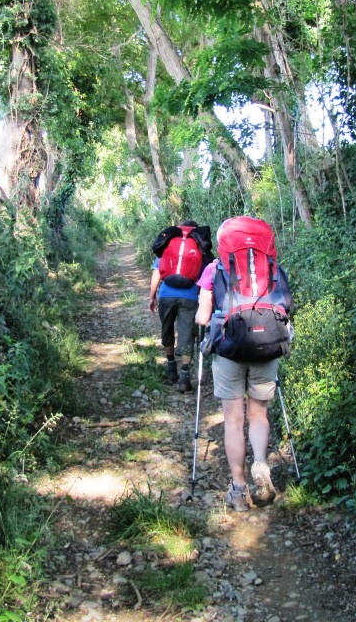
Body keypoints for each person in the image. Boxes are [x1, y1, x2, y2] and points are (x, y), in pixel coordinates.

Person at [195, 256, 278, 512]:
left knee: (233, 420)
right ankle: (260, 464)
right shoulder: (270, 265)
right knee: (259, 414)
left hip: (229, 351)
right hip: (266, 346)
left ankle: (239, 490)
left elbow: (202, 317)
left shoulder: (214, 269)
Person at [149, 219, 202, 392]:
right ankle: (184, 376)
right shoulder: (199, 246)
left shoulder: (169, 243)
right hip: (190, 296)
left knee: (167, 329)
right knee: (187, 333)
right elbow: (205, 277)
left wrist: (152, 296)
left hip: (166, 294)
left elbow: (157, 272)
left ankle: (171, 367)